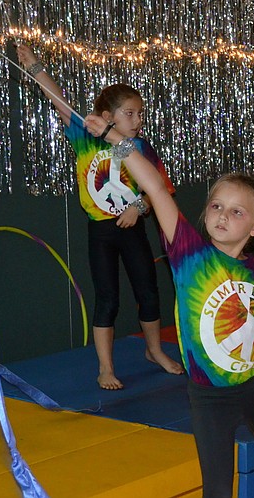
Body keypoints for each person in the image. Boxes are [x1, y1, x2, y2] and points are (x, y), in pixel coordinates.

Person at [82, 112, 254, 497]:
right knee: (218, 488)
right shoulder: (189, 253)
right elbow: (155, 189)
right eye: (217, 206)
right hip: (210, 396)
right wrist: (112, 137)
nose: (223, 216)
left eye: (237, 212)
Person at [16, 45, 183, 390]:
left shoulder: (141, 149)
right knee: (107, 298)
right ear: (108, 117)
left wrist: (138, 209)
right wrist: (35, 68)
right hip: (101, 231)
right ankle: (105, 367)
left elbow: (158, 193)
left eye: (140, 114)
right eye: (130, 113)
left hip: (132, 228)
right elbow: (59, 102)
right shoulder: (85, 138)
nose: (138, 120)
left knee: (148, 292)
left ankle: (154, 350)